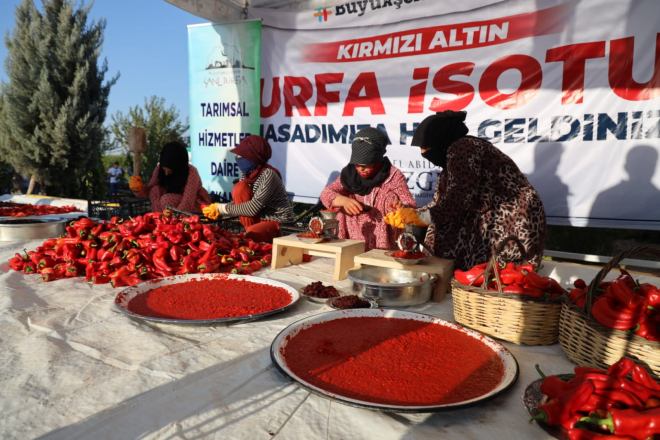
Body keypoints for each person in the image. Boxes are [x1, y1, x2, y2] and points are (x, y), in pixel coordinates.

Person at [410, 110, 546, 270]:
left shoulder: (463, 149)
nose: (423, 153)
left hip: (512, 221)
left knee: (497, 276)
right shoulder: (453, 160)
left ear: (441, 140)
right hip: (493, 218)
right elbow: (440, 201)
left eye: (426, 147)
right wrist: (413, 215)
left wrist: (423, 218)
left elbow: (459, 199)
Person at [320, 127, 416, 250]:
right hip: (350, 242)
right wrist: (343, 200)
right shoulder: (350, 174)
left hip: (382, 245)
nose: (361, 169)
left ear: (378, 159)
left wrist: (401, 208)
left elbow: (410, 205)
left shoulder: (393, 176)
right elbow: (326, 193)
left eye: (366, 164)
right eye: (357, 164)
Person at [211, 135, 294, 242]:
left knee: (249, 236)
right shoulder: (246, 174)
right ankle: (251, 233)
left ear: (254, 157)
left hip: (279, 223)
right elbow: (240, 204)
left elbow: (253, 208)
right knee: (239, 188)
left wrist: (222, 208)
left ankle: (252, 236)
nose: (238, 157)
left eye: (242, 155)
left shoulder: (268, 175)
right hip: (259, 218)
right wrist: (219, 211)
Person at [134, 141, 211, 212]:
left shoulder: (192, 172)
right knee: (154, 190)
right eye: (165, 170)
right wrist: (137, 188)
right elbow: (148, 190)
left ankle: (167, 223)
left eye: (170, 170)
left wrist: (174, 220)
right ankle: (158, 219)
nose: (166, 174)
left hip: (195, 204)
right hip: (170, 207)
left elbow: (188, 201)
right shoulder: (159, 169)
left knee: (166, 200)